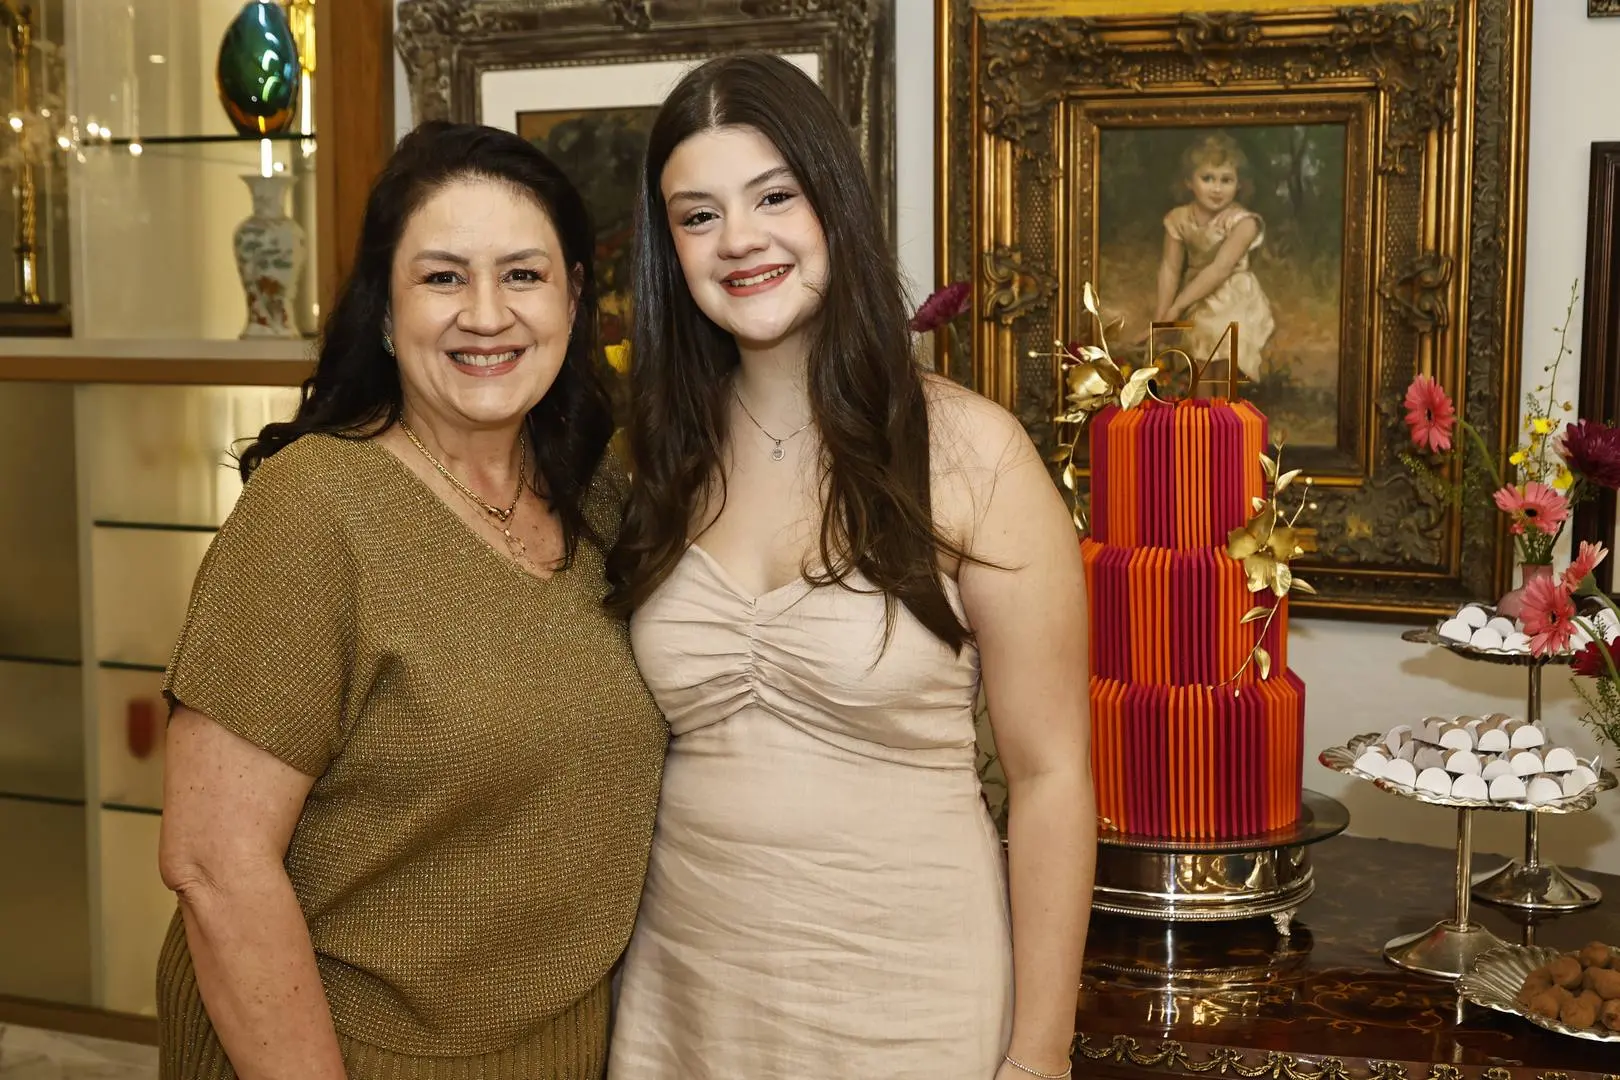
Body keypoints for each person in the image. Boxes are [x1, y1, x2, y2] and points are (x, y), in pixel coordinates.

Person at [604, 54, 1094, 1080]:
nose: (740, 239)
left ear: (835, 202)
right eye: (699, 216)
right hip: (684, 1001)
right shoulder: (653, 459)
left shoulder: (972, 454)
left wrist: (1040, 1051)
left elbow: (1050, 777)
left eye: (774, 196)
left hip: (911, 1004)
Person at [154, 121, 667, 1079]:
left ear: (573, 301)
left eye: (522, 275)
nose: (487, 314)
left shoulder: (600, 496)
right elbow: (214, 865)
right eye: (442, 277)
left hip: (556, 1051)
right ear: (387, 313)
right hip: (335, 1051)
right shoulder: (314, 509)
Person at [1147, 131, 1275, 379]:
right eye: (1207, 178)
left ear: (1239, 184)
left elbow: (1220, 269)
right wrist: (1163, 318)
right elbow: (1170, 269)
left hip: (1234, 296)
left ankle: (1224, 400)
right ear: (1189, 181)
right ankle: (1202, 401)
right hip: (1194, 294)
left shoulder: (1243, 222)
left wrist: (1178, 307)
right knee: (1197, 347)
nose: (1217, 189)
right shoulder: (1178, 218)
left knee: (1219, 334)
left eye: (1226, 180)